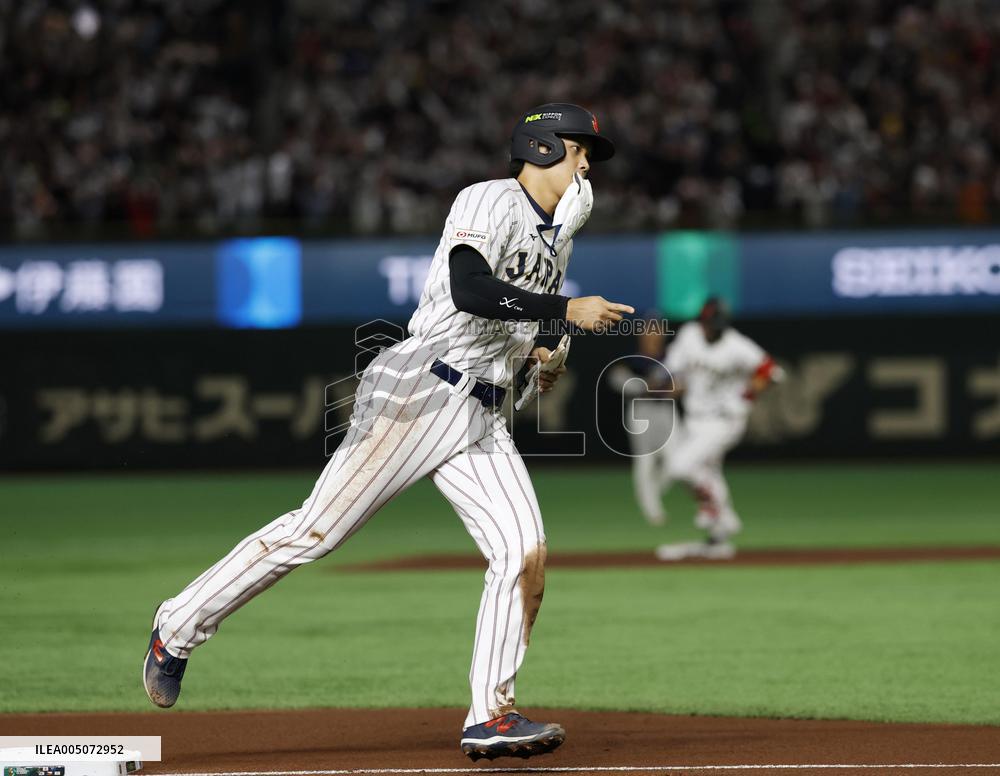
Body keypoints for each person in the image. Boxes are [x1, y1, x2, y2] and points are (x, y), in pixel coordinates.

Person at [142, 103, 634, 762]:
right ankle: (176, 627)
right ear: (543, 148)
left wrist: (545, 352)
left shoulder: (558, 237)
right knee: (313, 532)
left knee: (523, 554)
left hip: (482, 414)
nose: (586, 166)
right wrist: (563, 309)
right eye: (581, 151)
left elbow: (521, 321)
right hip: (421, 390)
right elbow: (470, 289)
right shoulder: (489, 200)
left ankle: (490, 715)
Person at [655, 298, 780, 561]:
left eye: (716, 325)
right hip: (695, 419)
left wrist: (745, 397)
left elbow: (770, 371)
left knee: (680, 467)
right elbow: (674, 373)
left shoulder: (736, 345)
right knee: (708, 473)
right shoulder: (689, 336)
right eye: (709, 324)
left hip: (725, 420)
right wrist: (670, 387)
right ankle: (719, 536)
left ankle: (718, 512)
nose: (712, 329)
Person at [605, 319, 683, 526]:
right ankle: (652, 510)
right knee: (645, 462)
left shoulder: (671, 358)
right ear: (642, 336)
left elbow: (682, 383)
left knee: (677, 462)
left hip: (667, 411)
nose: (653, 336)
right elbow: (616, 379)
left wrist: (677, 388)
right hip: (641, 412)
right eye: (649, 332)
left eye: (656, 332)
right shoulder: (634, 360)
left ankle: (651, 493)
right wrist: (644, 386)